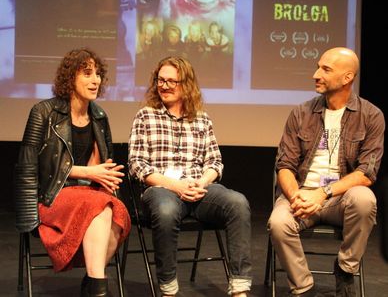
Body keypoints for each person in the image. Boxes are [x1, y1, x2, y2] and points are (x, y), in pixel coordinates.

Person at [128, 56, 252, 297]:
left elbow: (215, 162)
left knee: (238, 203)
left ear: (186, 84)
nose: (164, 85)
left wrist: (201, 182)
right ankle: (168, 287)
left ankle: (239, 287)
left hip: (199, 187)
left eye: (171, 81)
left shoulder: (202, 119)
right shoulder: (146, 116)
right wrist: (176, 186)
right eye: (160, 80)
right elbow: (136, 165)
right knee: (165, 211)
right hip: (162, 188)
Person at [267, 47, 385, 297]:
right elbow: (285, 165)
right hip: (301, 195)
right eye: (318, 67)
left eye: (325, 69)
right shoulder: (301, 113)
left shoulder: (371, 116)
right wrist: (297, 195)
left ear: (347, 77)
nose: (315, 74)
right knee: (278, 223)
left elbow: (367, 172)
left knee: (365, 199)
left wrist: (322, 193)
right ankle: (303, 287)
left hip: (339, 199)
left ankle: (345, 269)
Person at [14, 47, 131, 297]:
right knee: (98, 206)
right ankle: (97, 287)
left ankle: (94, 283)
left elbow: (101, 167)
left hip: (88, 196)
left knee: (117, 210)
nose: (95, 80)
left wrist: (105, 175)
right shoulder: (43, 112)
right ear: (70, 78)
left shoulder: (99, 116)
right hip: (52, 195)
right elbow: (29, 166)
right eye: (87, 73)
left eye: (98, 74)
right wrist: (88, 173)